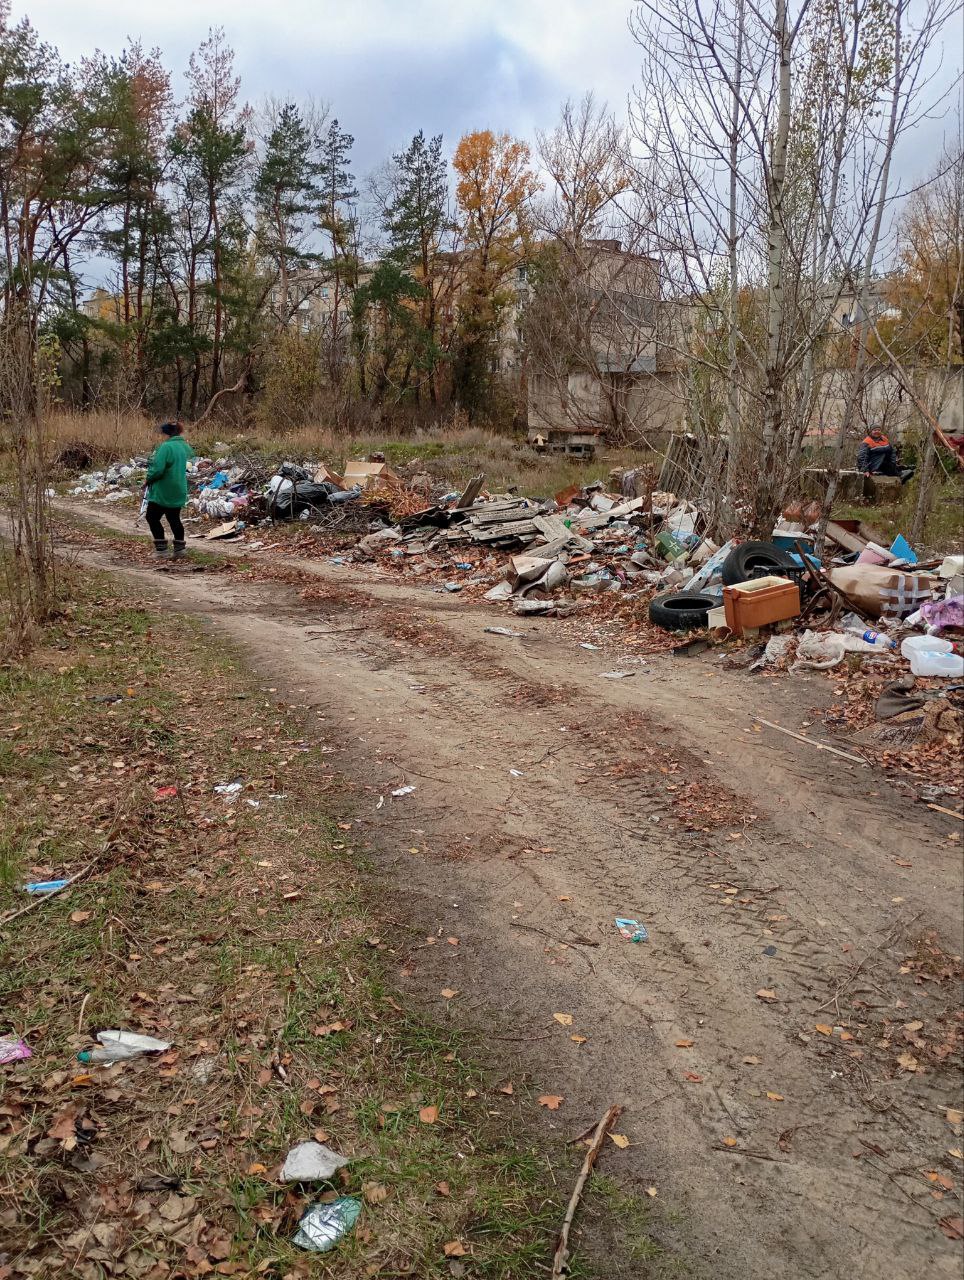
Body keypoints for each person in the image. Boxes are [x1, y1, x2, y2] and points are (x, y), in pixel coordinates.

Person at [144, 421, 194, 560]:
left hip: (164, 489)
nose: (161, 437)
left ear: (167, 434)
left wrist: (148, 479)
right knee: (174, 518)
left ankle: (161, 550)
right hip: (179, 488)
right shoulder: (184, 446)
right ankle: (180, 550)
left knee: (152, 517)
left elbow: (158, 469)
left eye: (162, 434)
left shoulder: (166, 447)